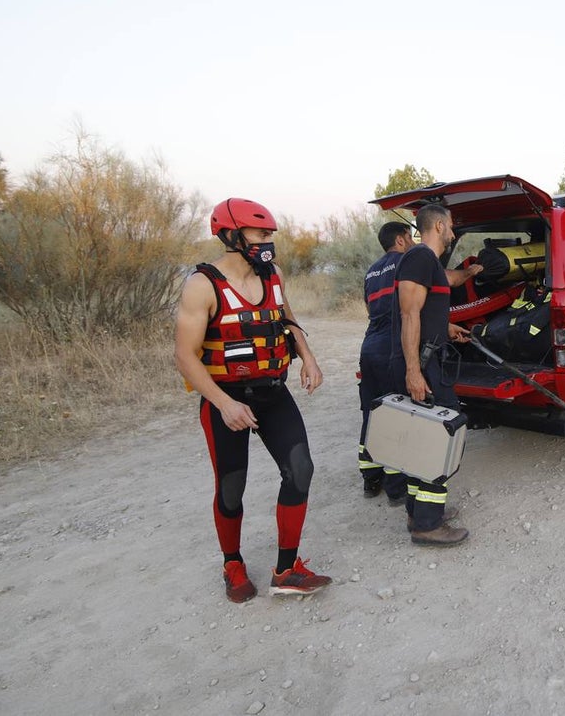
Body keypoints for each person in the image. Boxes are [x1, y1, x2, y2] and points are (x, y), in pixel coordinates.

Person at [174, 198, 332, 603]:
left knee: (300, 470)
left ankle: (287, 569)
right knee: (232, 487)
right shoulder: (202, 285)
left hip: (273, 394)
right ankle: (233, 563)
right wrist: (223, 403)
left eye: (270, 235)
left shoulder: (273, 274)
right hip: (225, 401)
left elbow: (287, 318)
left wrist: (308, 357)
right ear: (231, 234)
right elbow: (185, 356)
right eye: (260, 234)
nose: (268, 242)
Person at [357, 221, 481, 505]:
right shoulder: (413, 259)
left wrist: (445, 326)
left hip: (371, 347)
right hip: (398, 345)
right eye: (409, 238)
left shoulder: (372, 270)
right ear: (401, 240)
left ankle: (373, 479)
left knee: (379, 415)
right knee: (412, 421)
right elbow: (415, 308)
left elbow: (377, 309)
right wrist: (471, 271)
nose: (412, 242)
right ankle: (405, 496)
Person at [390, 201, 473, 546]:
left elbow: (426, 312)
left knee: (426, 435)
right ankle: (428, 523)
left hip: (429, 357)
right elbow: (409, 316)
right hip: (422, 363)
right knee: (442, 434)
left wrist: (447, 327)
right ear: (438, 226)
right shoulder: (421, 257)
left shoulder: (429, 264)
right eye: (451, 225)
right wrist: (413, 370)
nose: (453, 231)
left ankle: (418, 511)